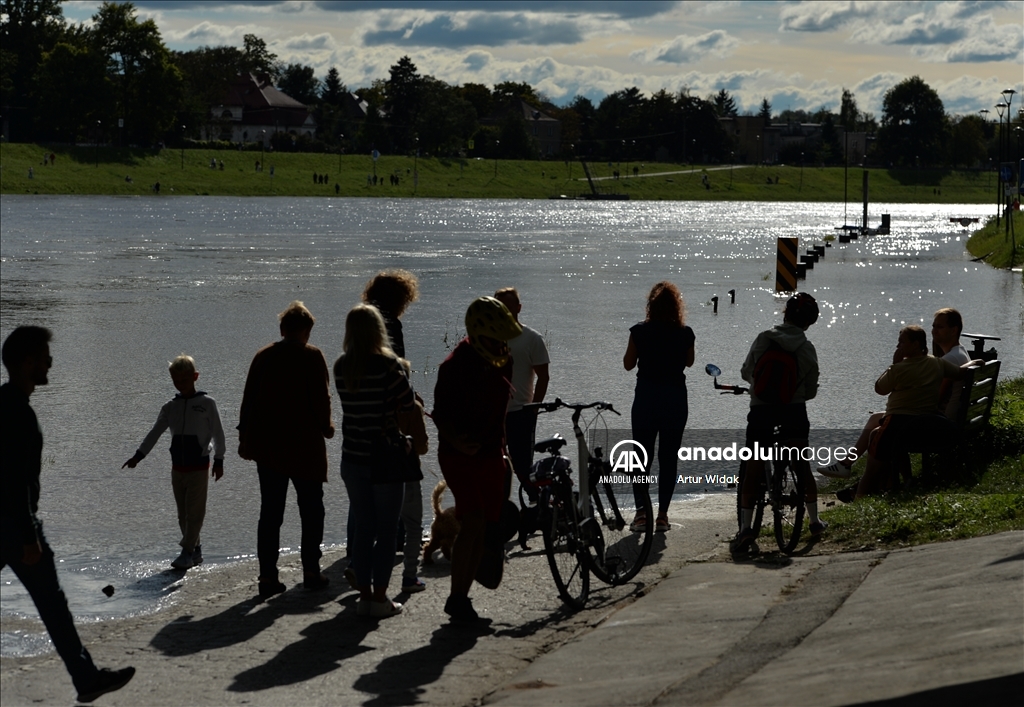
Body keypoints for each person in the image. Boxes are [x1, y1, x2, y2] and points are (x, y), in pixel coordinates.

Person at [1, 327, 136, 703]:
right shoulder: (19, 414)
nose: (50, 363)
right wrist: (29, 537)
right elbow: (15, 482)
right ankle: (86, 679)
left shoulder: (3, 403)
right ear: (28, 362)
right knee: (53, 606)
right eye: (46, 356)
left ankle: (87, 677)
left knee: (54, 605)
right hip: (16, 527)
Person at [432, 297, 521, 623]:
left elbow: (499, 415)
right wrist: (457, 440)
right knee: (471, 523)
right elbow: (440, 416)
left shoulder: (504, 360)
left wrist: (505, 451)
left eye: (504, 339)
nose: (501, 345)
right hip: (458, 456)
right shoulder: (454, 366)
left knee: (484, 525)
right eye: (495, 338)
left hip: (491, 453)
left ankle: (463, 595)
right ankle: (457, 599)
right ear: (478, 332)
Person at [238, 301, 334, 598]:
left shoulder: (263, 356)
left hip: (269, 448)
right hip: (305, 446)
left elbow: (248, 401)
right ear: (307, 330)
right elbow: (321, 398)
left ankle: (267, 576)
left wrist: (245, 439)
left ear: (282, 329)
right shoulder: (312, 356)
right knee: (312, 511)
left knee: (270, 513)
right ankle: (311, 572)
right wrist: (327, 426)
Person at [817, 308, 971, 484]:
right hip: (935, 419)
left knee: (882, 429)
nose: (934, 331)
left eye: (940, 327)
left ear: (954, 330)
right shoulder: (957, 354)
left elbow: (934, 397)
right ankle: (850, 466)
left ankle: (872, 481)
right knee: (878, 418)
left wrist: (897, 371)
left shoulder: (949, 359)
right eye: (933, 326)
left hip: (935, 423)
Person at [334, 304, 417, 618]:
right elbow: (407, 403)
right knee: (386, 531)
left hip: (352, 457)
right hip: (383, 457)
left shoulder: (341, 366)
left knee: (363, 529)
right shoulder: (388, 365)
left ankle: (364, 595)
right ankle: (380, 597)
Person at [733, 293, 822, 550]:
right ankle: (815, 521)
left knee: (754, 465)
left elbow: (746, 371)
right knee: (802, 465)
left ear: (785, 313)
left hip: (762, 411)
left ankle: (746, 529)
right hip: (793, 411)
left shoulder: (764, 338)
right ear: (809, 322)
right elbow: (811, 391)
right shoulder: (806, 348)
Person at [122, 355, 225, 570]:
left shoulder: (207, 404)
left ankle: (186, 552)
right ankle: (195, 551)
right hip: (178, 468)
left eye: (185, 379)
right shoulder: (170, 407)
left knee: (195, 512)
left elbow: (218, 434)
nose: (181, 384)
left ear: (195, 377)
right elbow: (154, 433)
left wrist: (219, 460)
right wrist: (138, 456)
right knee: (183, 515)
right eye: (176, 380)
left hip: (199, 467)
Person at [849, 326, 977, 499]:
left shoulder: (899, 369)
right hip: (925, 428)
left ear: (916, 345)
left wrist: (893, 364)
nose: (898, 346)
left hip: (899, 428)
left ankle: (859, 499)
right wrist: (976, 362)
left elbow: (879, 389)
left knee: (871, 464)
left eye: (902, 342)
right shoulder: (937, 363)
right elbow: (960, 372)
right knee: (876, 434)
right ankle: (900, 482)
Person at [360, 269, 426, 593]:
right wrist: (409, 398)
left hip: (361, 421)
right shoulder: (391, 325)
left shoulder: (363, 320)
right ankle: (396, 555)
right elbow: (398, 367)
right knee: (399, 484)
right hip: (390, 417)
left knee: (363, 500)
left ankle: (356, 560)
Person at [623, 282, 695, 532]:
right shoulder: (685, 333)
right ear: (677, 307)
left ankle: (642, 513)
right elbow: (689, 362)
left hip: (646, 398)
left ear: (650, 306)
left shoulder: (639, 331)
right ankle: (663, 515)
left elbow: (628, 365)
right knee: (668, 457)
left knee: (640, 458)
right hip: (675, 399)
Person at [493, 287, 550, 503]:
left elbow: (544, 377)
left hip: (521, 413)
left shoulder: (531, 338)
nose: (505, 312)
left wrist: (534, 407)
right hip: (492, 415)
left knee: (523, 469)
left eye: (509, 307)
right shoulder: (486, 339)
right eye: (500, 307)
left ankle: (538, 507)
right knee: (493, 467)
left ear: (519, 308)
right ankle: (497, 513)